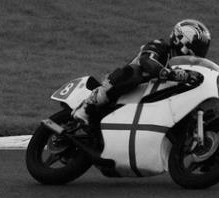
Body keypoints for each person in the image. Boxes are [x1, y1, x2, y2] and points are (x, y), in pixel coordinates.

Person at [72, 19, 211, 125]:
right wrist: (171, 74)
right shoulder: (159, 45)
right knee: (133, 72)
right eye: (199, 46)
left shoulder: (185, 66)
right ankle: (87, 106)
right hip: (129, 89)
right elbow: (147, 62)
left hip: (151, 102)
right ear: (182, 39)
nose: (201, 52)